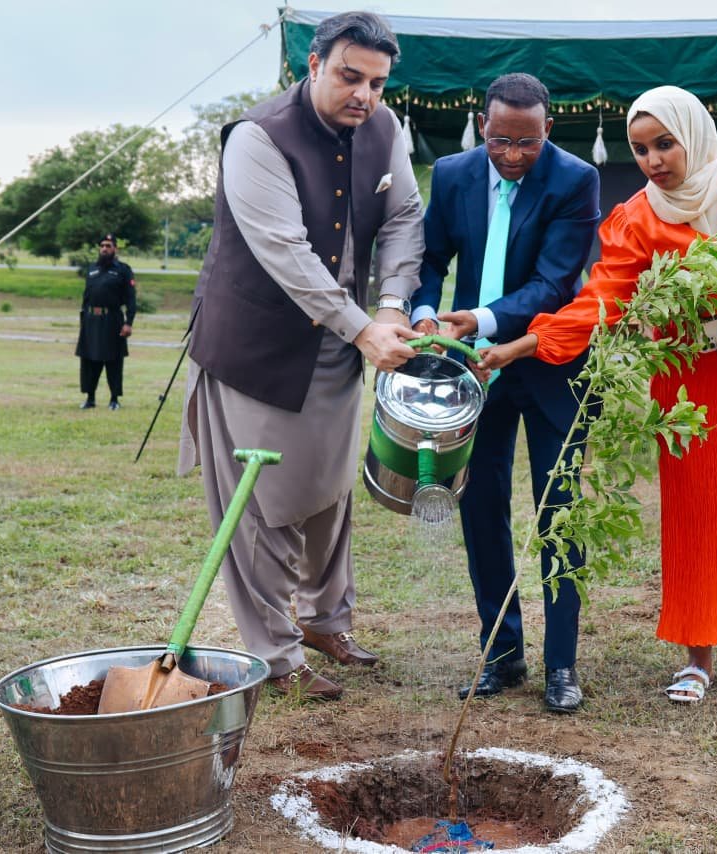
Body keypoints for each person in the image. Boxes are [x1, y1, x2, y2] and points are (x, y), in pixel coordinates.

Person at [481, 85, 717, 704]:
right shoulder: (638, 216)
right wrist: (521, 346)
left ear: (692, 134)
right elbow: (602, 299)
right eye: (640, 150)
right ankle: (698, 655)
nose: (653, 160)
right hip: (688, 371)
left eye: (664, 144)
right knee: (696, 508)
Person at [177, 11, 422, 700]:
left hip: (341, 344)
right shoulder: (257, 137)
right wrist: (363, 329)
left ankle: (324, 622)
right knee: (264, 505)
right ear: (312, 64)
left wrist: (391, 305)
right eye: (349, 76)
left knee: (330, 492)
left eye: (377, 83)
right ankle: (275, 656)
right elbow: (285, 251)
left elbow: (405, 217)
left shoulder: (386, 129)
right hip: (256, 350)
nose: (364, 95)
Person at [409, 73, 600, 713]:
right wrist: (427, 312)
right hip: (472, 367)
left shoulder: (575, 180)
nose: (513, 155)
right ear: (481, 125)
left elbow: (554, 282)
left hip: (549, 364)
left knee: (559, 510)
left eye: (527, 142)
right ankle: (501, 653)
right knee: (481, 505)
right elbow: (430, 258)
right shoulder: (452, 173)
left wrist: (482, 319)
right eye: (500, 140)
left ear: (549, 130)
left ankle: (561, 665)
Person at [75, 234, 136, 410]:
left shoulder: (123, 270)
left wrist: (128, 322)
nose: (104, 249)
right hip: (91, 320)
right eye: (102, 245)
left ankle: (114, 399)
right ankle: (90, 398)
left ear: (115, 248)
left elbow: (131, 299)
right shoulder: (92, 269)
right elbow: (86, 296)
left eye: (108, 245)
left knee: (113, 360)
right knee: (89, 360)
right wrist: (83, 320)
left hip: (112, 320)